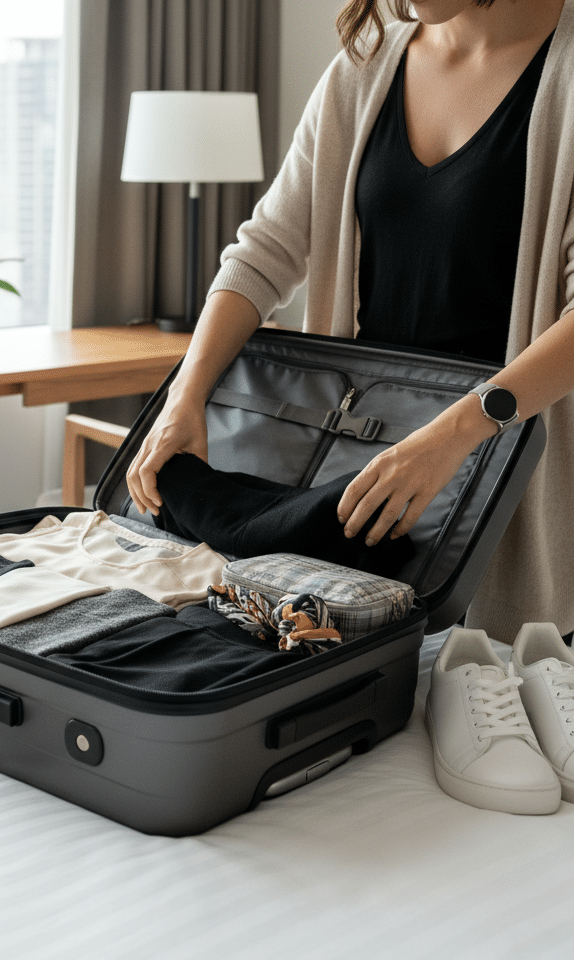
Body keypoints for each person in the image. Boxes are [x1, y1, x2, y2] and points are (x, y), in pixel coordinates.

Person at [126, 0, 574, 648]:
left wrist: (452, 436)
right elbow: (264, 250)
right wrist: (183, 397)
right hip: (367, 473)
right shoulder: (363, 68)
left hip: (511, 467)